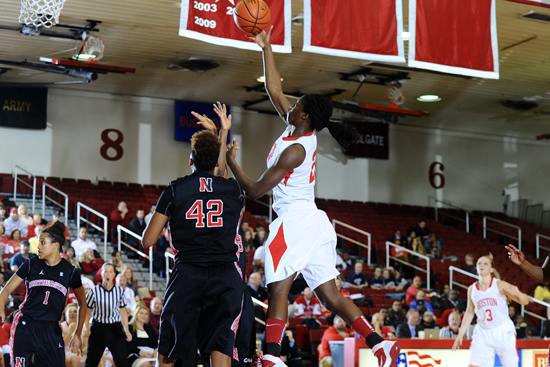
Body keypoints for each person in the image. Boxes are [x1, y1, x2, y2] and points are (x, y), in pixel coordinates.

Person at [226, 27, 400, 367]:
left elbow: (256, 190)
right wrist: (267, 46)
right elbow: (273, 87)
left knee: (278, 288)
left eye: (297, 104)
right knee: (330, 295)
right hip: (313, 220)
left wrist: (231, 160)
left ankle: (273, 358)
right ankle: (381, 345)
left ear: (303, 115)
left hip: (295, 221)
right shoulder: (295, 127)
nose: (291, 103)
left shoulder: (294, 151)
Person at [142, 110, 246, 367]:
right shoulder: (233, 189)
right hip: (226, 276)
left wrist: (168, 224)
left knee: (170, 347)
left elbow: (147, 241)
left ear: (191, 160)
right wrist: (221, 133)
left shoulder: (176, 189)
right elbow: (219, 177)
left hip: (188, 273)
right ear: (215, 161)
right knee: (220, 346)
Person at [0, 221, 87, 367]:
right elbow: (7, 289)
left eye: (42, 242)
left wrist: (77, 333)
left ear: (55, 245)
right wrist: (1, 304)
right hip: (26, 325)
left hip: (51, 329)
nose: (38, 246)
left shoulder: (70, 271)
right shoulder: (31, 263)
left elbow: (83, 303)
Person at [452, 254, 529, 367]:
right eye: (479, 263)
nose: (481, 265)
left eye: (485, 263)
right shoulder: (472, 289)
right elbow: (469, 312)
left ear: (491, 269)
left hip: (503, 331)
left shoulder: (499, 285)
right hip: (483, 332)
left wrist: (518, 293)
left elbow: (525, 301)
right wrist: (460, 334)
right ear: (476, 268)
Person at [84, 263, 132, 367]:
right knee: (91, 362)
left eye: (110, 272)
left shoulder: (119, 291)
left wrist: (127, 329)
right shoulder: (94, 290)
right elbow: (87, 311)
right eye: (105, 271)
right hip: (98, 328)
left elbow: (123, 311)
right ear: (101, 274)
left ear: (114, 275)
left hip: (115, 328)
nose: (108, 274)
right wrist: (86, 327)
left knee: (122, 362)